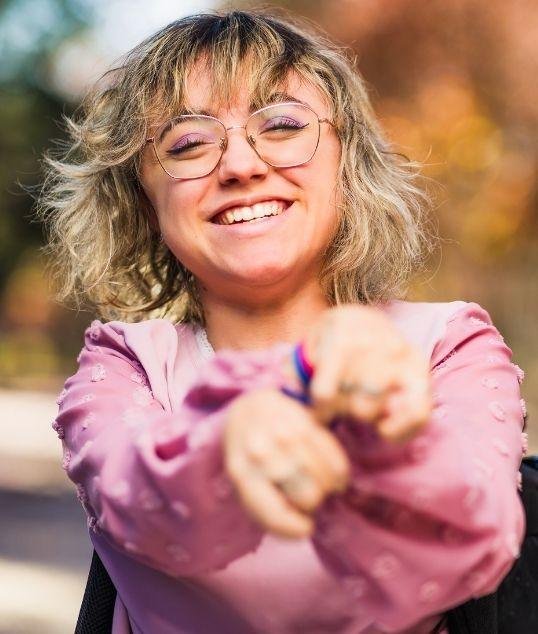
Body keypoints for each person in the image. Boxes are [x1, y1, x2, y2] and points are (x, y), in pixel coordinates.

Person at [40, 10, 528, 634]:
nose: (240, 165)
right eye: (187, 143)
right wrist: (261, 410)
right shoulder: (123, 363)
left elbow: (477, 536)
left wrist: (381, 434)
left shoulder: (448, 347)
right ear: (143, 200)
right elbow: (136, 502)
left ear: (347, 161)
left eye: (282, 125)